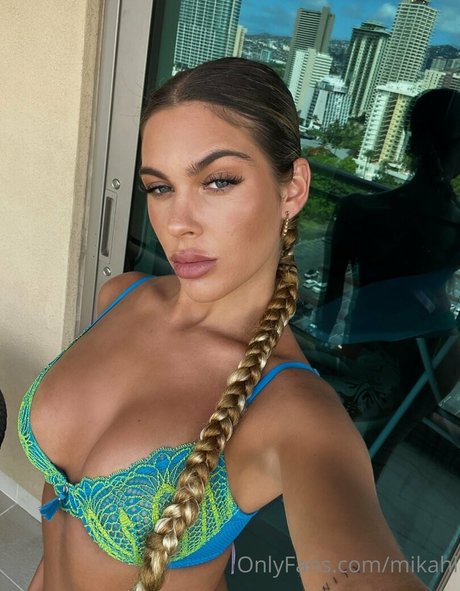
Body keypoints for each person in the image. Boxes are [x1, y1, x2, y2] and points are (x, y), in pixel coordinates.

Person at [19, 58, 428, 591]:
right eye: (159, 187)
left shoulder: (296, 413)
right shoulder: (119, 296)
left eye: (217, 181)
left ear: (292, 190)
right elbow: (58, 519)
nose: (177, 223)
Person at [314, 88, 460, 479]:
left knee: (346, 447)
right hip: (435, 359)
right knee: (378, 449)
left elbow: (328, 312)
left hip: (370, 351)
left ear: (411, 138)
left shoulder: (358, 211)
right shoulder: (453, 224)